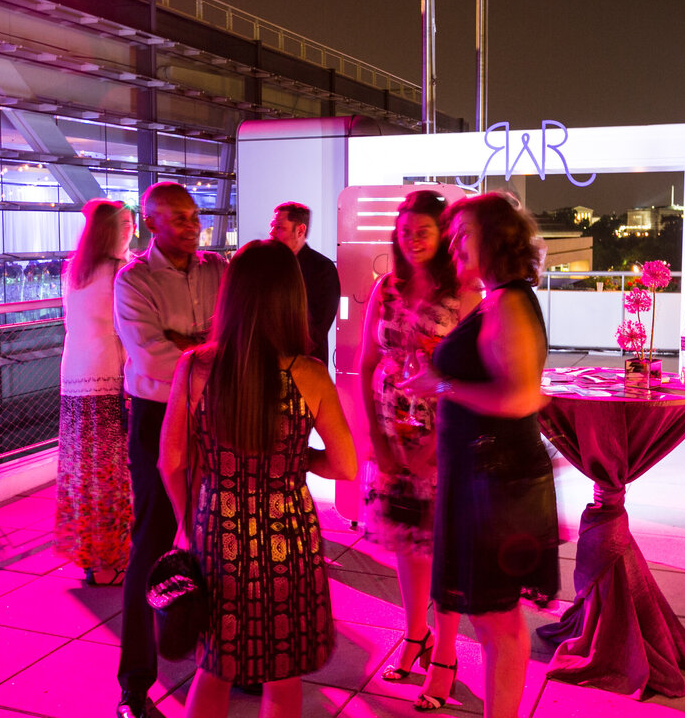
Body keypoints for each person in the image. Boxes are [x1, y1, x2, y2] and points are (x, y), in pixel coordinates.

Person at [158, 240, 357, 718]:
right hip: (287, 533)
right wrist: (298, 460)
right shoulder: (308, 374)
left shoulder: (196, 367)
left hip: (217, 526)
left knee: (215, 665)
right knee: (282, 670)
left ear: (233, 294)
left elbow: (171, 459)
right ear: (292, 298)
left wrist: (189, 520)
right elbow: (347, 466)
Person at [400, 192, 559, 717]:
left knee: (497, 621)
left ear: (494, 238)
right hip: (484, 477)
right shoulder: (497, 298)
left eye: (463, 233)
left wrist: (442, 386)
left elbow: (517, 397)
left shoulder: (510, 301)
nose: (453, 243)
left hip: (497, 483)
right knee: (493, 619)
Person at [113, 182, 228, 718]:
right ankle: (135, 681)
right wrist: (206, 349)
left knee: (225, 538)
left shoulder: (217, 270)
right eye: (177, 218)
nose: (190, 225)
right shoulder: (133, 280)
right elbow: (154, 356)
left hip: (215, 415)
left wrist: (188, 345)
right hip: (157, 416)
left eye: (193, 216)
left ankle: (231, 659)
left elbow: (232, 337)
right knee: (154, 539)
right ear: (150, 223)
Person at [357, 190, 481, 689]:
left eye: (423, 231)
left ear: (444, 235)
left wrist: (435, 445)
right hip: (391, 431)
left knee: (443, 545)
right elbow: (367, 362)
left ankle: (447, 655)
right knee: (407, 543)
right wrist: (377, 438)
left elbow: (478, 376)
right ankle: (415, 635)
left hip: (444, 436)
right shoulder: (386, 288)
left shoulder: (467, 295)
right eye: (406, 231)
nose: (412, 240)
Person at [54, 200, 136, 585]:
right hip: (108, 381)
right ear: (113, 231)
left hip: (74, 381)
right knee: (113, 473)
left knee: (82, 472)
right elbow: (130, 329)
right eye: (126, 224)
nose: (131, 230)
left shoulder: (74, 271)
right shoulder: (120, 272)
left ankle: (89, 556)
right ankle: (110, 561)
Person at [270, 202, 341, 365]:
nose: (271, 232)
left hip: (305, 366)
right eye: (272, 226)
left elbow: (317, 331)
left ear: (300, 230)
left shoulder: (323, 269)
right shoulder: (268, 265)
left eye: (279, 227)